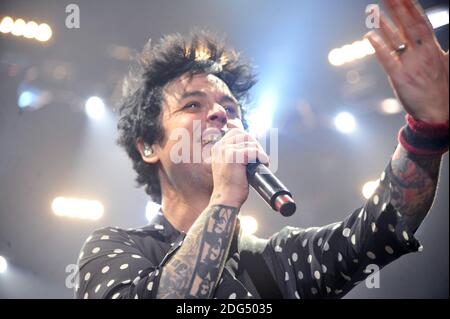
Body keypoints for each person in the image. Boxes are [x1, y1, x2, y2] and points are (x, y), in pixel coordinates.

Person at [75, 0, 448, 299]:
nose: (220, 113)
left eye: (231, 108)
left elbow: (379, 229)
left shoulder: (280, 260)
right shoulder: (114, 248)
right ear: (149, 145)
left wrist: (427, 127)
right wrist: (223, 200)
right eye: (192, 105)